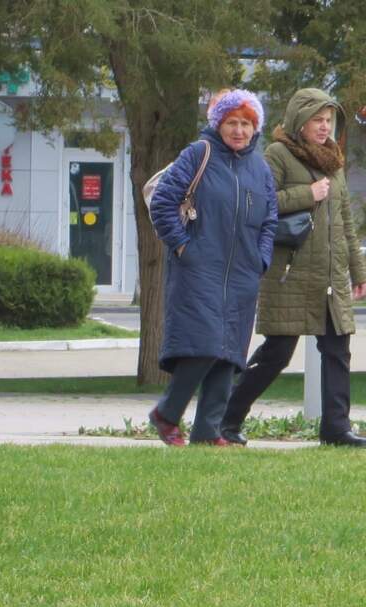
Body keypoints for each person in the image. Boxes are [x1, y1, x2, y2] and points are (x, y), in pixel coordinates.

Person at [220, 88, 366, 447]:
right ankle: (226, 421)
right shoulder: (277, 154)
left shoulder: (334, 159)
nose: (324, 126)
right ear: (300, 120)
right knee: (277, 354)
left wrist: (358, 271)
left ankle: (336, 428)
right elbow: (260, 204)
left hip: (330, 277)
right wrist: (307, 194)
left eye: (329, 120)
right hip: (290, 274)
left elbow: (346, 220)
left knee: (337, 351)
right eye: (317, 119)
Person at [148, 89, 278, 446]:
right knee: (204, 345)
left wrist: (260, 259)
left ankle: (208, 432)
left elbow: (270, 219)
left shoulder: (260, 169)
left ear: (256, 128)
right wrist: (183, 246)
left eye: (246, 124)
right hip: (198, 267)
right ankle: (166, 414)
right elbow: (162, 202)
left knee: (229, 354)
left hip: (243, 273)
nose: (239, 131)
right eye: (232, 123)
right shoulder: (198, 154)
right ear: (218, 124)